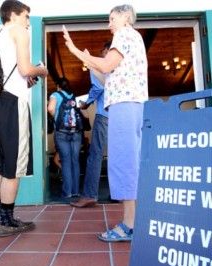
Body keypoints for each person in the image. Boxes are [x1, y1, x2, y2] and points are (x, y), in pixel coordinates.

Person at [63, 4, 148, 242]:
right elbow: (107, 75)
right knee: (130, 161)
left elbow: (105, 65)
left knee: (124, 163)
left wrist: (76, 51)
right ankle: (134, 221)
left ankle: (129, 226)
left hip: (124, 104)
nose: (109, 23)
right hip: (131, 104)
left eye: (112, 18)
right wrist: (90, 61)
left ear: (125, 17)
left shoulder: (123, 34)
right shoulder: (134, 38)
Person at [0, 0, 48, 237]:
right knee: (15, 163)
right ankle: (7, 220)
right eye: (26, 16)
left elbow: (13, 72)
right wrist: (41, 69)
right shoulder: (19, 31)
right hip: (13, 104)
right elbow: (25, 69)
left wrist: (26, 77)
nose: (28, 22)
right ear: (14, 14)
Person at [71, 42, 111, 208]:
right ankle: (121, 194)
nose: (102, 56)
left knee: (95, 155)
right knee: (119, 156)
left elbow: (97, 88)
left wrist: (86, 103)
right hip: (121, 116)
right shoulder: (120, 67)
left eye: (103, 52)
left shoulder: (98, 68)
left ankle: (89, 195)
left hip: (104, 116)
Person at [48, 78, 83, 200]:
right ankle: (76, 191)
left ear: (58, 86)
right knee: (75, 161)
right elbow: (83, 112)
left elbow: (51, 109)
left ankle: (67, 192)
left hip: (62, 132)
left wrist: (56, 117)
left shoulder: (55, 94)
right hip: (76, 133)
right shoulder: (74, 96)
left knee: (66, 161)